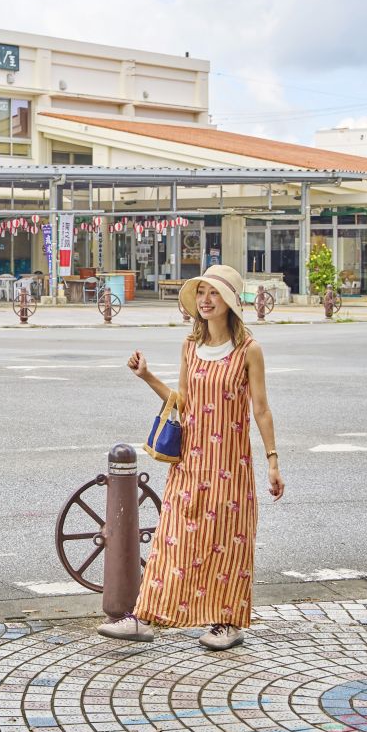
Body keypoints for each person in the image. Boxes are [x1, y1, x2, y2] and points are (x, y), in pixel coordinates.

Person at [100, 264, 285, 651]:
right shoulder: (190, 346)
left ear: (229, 302)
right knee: (174, 539)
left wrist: (272, 460)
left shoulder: (249, 350)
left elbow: (261, 409)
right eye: (201, 292)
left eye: (214, 293)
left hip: (231, 464)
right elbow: (182, 403)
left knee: (229, 541)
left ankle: (228, 623)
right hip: (191, 461)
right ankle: (144, 617)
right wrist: (147, 376)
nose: (205, 300)